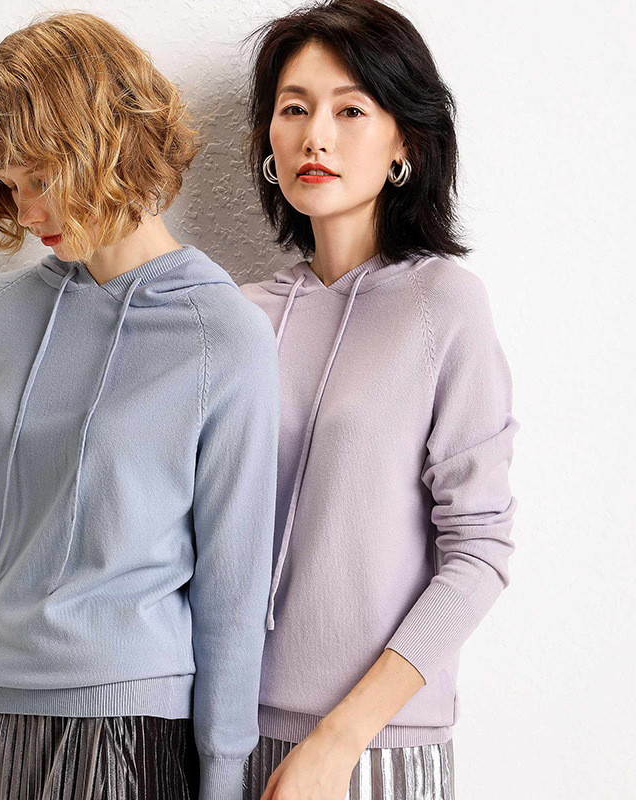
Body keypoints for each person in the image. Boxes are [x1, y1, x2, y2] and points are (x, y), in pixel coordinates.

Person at [0, 11, 280, 800]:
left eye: (39, 179)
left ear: (108, 147)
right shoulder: (1, 315)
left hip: (129, 737)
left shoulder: (223, 334)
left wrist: (223, 781)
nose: (25, 211)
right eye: (9, 186)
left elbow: (233, 599)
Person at [238, 1, 519, 798]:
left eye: (351, 110)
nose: (315, 136)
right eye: (294, 109)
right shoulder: (239, 316)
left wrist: (339, 740)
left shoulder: (444, 305)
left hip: (375, 748)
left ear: (405, 142)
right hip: (228, 732)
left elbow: (480, 552)